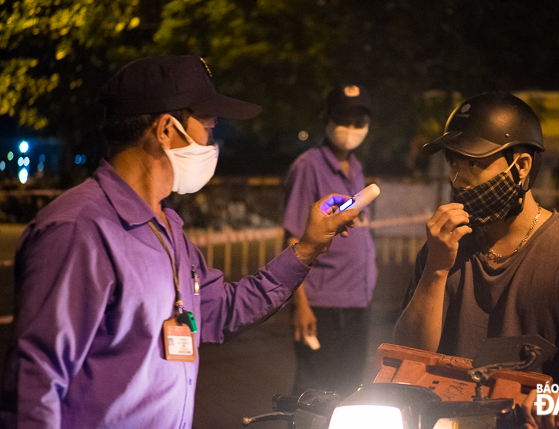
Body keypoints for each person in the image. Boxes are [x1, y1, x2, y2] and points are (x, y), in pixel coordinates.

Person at [0, 55, 359, 428]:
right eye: (208, 127)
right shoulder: (78, 231)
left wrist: (307, 249)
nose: (211, 142)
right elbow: (33, 385)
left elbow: (220, 312)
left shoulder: (166, 226)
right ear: (167, 130)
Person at [393, 92, 559, 428]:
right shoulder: (443, 248)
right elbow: (408, 356)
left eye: (474, 163)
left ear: (520, 166)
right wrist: (435, 269)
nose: (458, 179)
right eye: (454, 162)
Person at [283, 85, 377, 397]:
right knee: (313, 397)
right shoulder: (308, 166)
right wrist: (301, 306)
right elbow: (292, 238)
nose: (351, 128)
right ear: (326, 118)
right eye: (344, 118)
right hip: (323, 306)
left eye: (359, 119)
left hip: (357, 304)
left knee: (350, 393)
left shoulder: (358, 168)